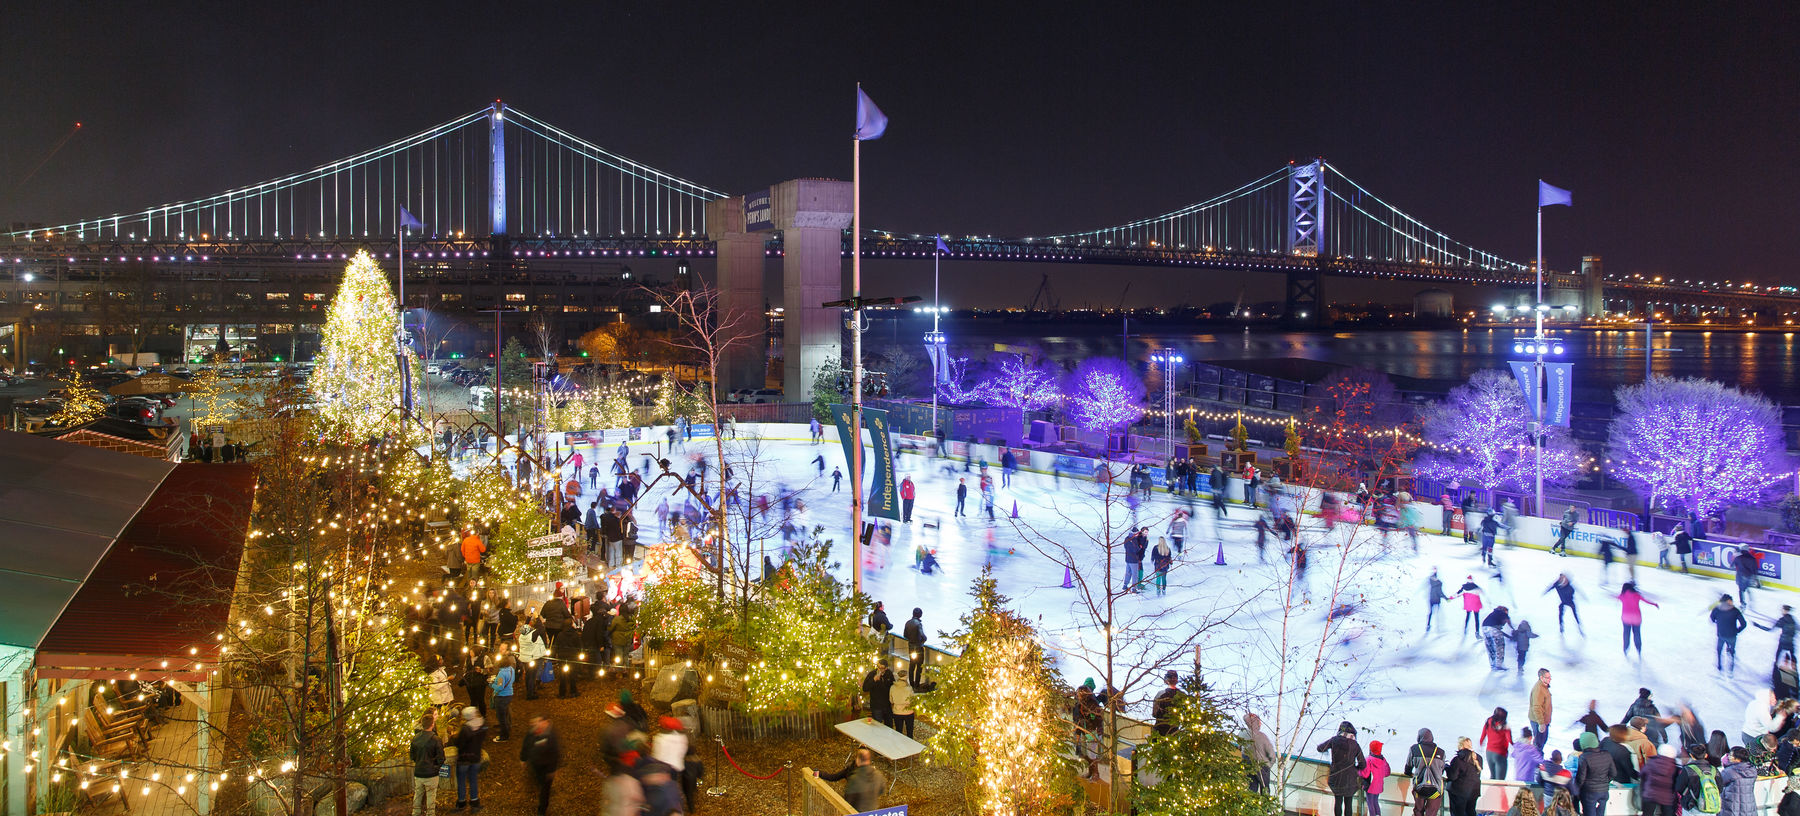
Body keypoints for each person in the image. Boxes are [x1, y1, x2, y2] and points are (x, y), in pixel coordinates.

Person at [1317, 720, 1366, 816]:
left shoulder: (1334, 740)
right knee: (1348, 804)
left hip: (1336, 777)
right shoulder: (1355, 745)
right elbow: (1363, 764)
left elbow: (1320, 748)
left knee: (1338, 801)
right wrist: (1355, 769)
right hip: (1350, 780)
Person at [818, 748, 886, 811]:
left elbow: (848, 801)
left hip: (857, 811)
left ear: (857, 760)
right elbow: (881, 791)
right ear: (869, 760)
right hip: (872, 812)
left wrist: (819, 773)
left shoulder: (854, 778)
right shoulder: (878, 775)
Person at [518, 716, 560, 816]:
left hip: (546, 768)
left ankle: (542, 809)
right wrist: (523, 759)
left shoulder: (551, 736)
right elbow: (526, 745)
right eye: (535, 721)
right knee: (539, 782)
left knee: (545, 789)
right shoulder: (531, 733)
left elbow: (555, 754)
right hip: (535, 765)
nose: (536, 724)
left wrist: (552, 770)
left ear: (546, 722)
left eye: (540, 721)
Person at [410, 713, 445, 816]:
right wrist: (436, 767)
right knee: (431, 796)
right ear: (432, 724)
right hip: (431, 773)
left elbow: (412, 756)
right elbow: (441, 758)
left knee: (418, 794)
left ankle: (415, 812)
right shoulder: (436, 739)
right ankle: (430, 813)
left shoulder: (415, 738)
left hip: (419, 772)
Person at [1406, 727, 1447, 816]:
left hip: (1419, 787)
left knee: (1418, 811)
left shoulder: (1414, 749)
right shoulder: (1441, 752)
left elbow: (1408, 767)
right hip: (1436, 789)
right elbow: (1442, 770)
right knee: (1431, 812)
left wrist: (1409, 773)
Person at [452, 706, 486, 810]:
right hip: (476, 757)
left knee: (461, 781)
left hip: (464, 759)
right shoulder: (483, 725)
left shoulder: (465, 729)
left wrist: (454, 737)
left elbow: (460, 744)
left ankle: (461, 802)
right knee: (473, 779)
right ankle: (474, 801)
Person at [1572, 732, 1613, 816]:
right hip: (1604, 792)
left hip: (1589, 793)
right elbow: (1613, 773)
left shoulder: (1584, 757)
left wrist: (1576, 790)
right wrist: (1604, 782)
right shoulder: (1607, 754)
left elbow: (1581, 778)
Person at [1618, 581, 1659, 659]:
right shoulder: (1637, 595)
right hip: (1637, 618)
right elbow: (1646, 601)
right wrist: (1655, 604)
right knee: (1637, 634)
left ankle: (1625, 648)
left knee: (1626, 634)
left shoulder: (1622, 596)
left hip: (1626, 618)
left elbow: (1613, 596)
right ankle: (1639, 649)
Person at [1639, 743, 1681, 816]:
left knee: (1647, 813)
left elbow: (1642, 775)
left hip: (1650, 794)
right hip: (1667, 797)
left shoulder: (1651, 762)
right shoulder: (1674, 766)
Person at [1711, 594, 1749, 674]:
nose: (1732, 602)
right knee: (1731, 650)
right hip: (1732, 635)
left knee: (1719, 650)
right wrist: (1737, 631)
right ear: (1728, 601)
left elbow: (1712, 619)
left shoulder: (1717, 609)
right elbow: (1744, 624)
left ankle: (1719, 665)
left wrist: (1719, 622)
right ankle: (1731, 664)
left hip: (1721, 635)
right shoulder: (1735, 610)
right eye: (1731, 600)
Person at [1446, 736, 1483, 816]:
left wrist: (1447, 768)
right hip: (1474, 791)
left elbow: (1452, 776)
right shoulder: (1479, 758)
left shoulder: (1458, 759)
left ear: (1460, 746)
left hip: (1459, 792)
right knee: (1470, 812)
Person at [1721, 747, 1758, 816]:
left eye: (1731, 755)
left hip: (1732, 806)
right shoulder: (1752, 770)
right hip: (1748, 806)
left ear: (1738, 759)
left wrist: (1725, 765)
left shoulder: (1730, 771)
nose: (1729, 757)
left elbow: (1719, 782)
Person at [1245, 713, 1276, 793]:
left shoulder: (1244, 735)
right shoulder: (1262, 736)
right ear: (1256, 723)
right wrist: (1268, 765)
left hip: (1249, 766)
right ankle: (1265, 804)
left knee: (1252, 788)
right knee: (1265, 789)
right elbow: (1272, 754)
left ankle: (1252, 804)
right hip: (1262, 766)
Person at [1361, 740, 1392, 816]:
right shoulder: (1383, 760)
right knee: (1375, 802)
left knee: (1370, 803)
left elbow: (1365, 774)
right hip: (1379, 785)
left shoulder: (1368, 759)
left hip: (1370, 785)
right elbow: (1387, 772)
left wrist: (1358, 771)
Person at [488, 654, 514, 743]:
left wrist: (491, 684)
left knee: (501, 717)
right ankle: (507, 729)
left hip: (501, 697)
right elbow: (511, 680)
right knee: (505, 714)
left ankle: (504, 736)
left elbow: (499, 687)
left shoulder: (501, 673)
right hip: (509, 694)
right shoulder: (511, 669)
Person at [1481, 708, 1513, 780]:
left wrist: (1481, 743)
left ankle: (1491, 791)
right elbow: (1509, 739)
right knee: (1500, 780)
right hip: (1500, 754)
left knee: (1493, 776)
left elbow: (1483, 735)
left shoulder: (1488, 722)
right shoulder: (1505, 725)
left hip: (1489, 752)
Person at [862, 659, 895, 728]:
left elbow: (892, 687)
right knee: (877, 726)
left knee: (889, 726)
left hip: (887, 705)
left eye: (882, 668)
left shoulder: (889, 674)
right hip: (876, 706)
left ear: (886, 668)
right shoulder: (872, 674)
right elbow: (865, 688)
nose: (879, 670)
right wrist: (874, 680)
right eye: (878, 667)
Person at [1152, 671, 1182, 737]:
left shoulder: (1161, 694)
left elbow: (1154, 713)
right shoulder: (1181, 695)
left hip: (1161, 728)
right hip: (1173, 729)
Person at [903, 608, 928, 687]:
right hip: (918, 648)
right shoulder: (918, 624)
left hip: (911, 647)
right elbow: (922, 635)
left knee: (912, 666)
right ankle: (916, 684)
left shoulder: (907, 623)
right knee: (919, 667)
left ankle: (911, 683)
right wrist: (924, 640)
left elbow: (905, 635)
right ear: (920, 615)